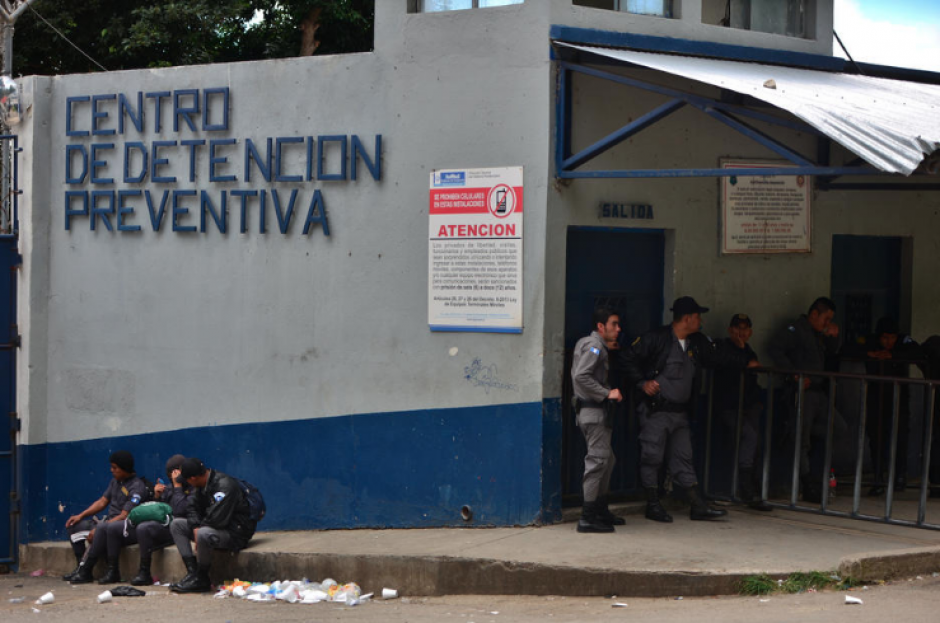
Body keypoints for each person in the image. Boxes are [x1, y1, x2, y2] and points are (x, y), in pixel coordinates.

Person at [620, 297, 758, 522]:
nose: (701, 320)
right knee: (652, 456)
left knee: (684, 457)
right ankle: (653, 504)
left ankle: (697, 505)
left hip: (681, 413)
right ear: (687, 318)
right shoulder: (656, 338)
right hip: (656, 411)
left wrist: (745, 359)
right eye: (698, 316)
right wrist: (642, 383)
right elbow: (627, 359)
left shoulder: (697, 342)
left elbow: (719, 358)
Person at [767, 297, 846, 503]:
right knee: (801, 440)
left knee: (838, 428)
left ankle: (816, 472)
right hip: (804, 392)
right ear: (814, 315)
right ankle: (807, 483)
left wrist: (833, 336)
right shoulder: (797, 330)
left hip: (820, 393)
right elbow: (775, 347)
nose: (827, 323)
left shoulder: (818, 333)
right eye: (825, 319)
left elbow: (832, 351)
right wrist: (794, 375)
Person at [844, 317, 921, 495]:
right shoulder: (869, 341)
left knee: (899, 436)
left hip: (899, 396)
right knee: (876, 436)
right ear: (879, 336)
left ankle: (899, 476)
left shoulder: (903, 342)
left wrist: (894, 355)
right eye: (885, 338)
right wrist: (869, 354)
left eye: (892, 338)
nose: (889, 342)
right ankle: (879, 477)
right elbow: (847, 349)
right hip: (876, 396)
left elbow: (918, 351)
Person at [92, 454, 196, 586]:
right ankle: (124, 571)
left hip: (178, 529)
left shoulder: (192, 487)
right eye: (170, 475)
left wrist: (178, 487)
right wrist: (157, 496)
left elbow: (180, 510)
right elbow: (158, 511)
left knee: (144, 528)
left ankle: (145, 572)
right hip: (162, 526)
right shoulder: (170, 488)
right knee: (123, 527)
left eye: (175, 473)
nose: (173, 477)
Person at [571, 306, 624, 533]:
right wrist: (606, 393)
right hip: (594, 412)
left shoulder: (591, 344)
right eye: (614, 324)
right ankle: (588, 517)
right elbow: (581, 376)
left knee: (607, 460)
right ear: (601, 327)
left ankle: (600, 510)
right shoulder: (594, 347)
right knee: (597, 463)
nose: (618, 329)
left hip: (592, 413)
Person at [169, 458, 257, 593]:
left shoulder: (224, 485)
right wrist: (195, 527)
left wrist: (199, 529)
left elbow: (217, 519)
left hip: (234, 533)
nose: (187, 483)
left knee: (204, 533)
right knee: (177, 524)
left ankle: (202, 577)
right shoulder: (200, 485)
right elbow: (191, 508)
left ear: (193, 478)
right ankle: (193, 573)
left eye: (187, 480)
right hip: (213, 529)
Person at [713, 313, 772, 511]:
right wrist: (745, 362)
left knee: (754, 443)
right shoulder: (723, 346)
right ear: (730, 330)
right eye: (738, 328)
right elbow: (727, 362)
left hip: (748, 406)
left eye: (745, 329)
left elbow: (754, 374)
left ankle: (751, 489)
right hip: (729, 408)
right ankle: (745, 489)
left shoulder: (749, 350)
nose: (741, 332)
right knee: (748, 436)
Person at [63, 451, 149, 584]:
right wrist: (81, 515)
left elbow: (124, 515)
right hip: (107, 522)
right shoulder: (115, 482)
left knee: (103, 528)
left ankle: (86, 570)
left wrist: (99, 529)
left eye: (115, 468)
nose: (111, 470)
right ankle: (80, 566)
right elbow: (102, 501)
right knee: (73, 525)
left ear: (125, 468)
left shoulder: (136, 487)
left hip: (121, 527)